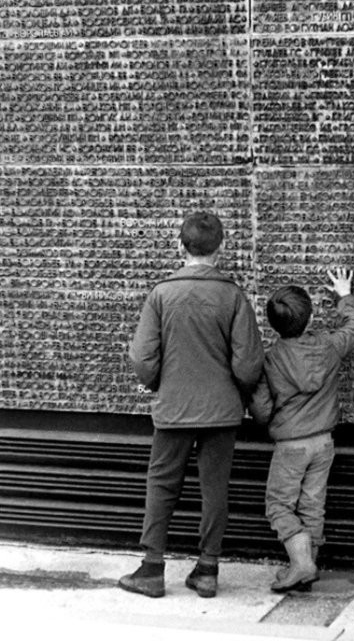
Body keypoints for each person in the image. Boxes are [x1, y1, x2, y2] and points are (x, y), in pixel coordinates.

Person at [119, 211, 264, 599]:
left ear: (180, 245)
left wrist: (158, 384)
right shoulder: (233, 296)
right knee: (214, 488)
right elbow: (248, 363)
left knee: (162, 484)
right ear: (221, 248)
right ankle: (207, 570)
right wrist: (236, 389)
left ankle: (151, 569)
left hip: (174, 408)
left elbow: (143, 358)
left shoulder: (162, 295)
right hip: (221, 410)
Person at [249, 266, 354, 592]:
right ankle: (308, 565)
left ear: (273, 325)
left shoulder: (272, 360)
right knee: (313, 505)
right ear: (311, 317)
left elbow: (262, 410)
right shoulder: (329, 347)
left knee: (279, 506)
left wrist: (261, 408)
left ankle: (300, 563)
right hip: (323, 443)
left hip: (291, 445)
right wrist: (344, 296)